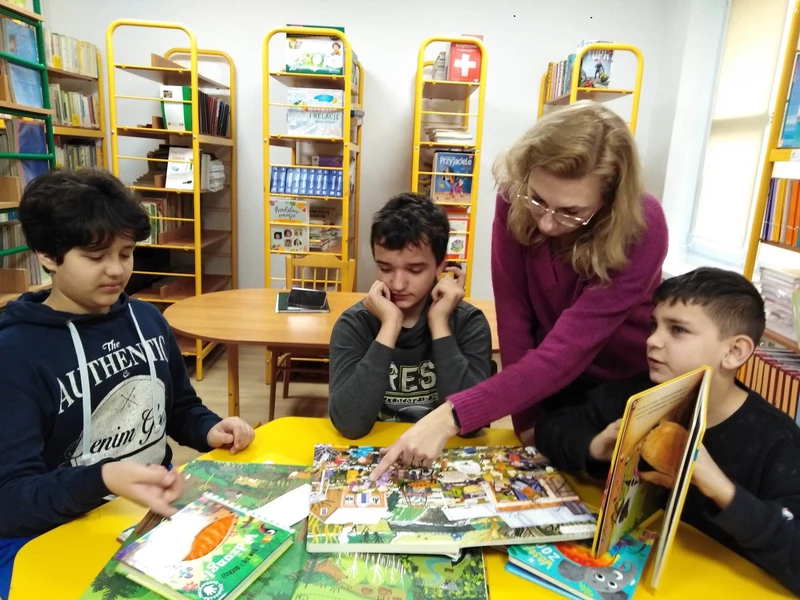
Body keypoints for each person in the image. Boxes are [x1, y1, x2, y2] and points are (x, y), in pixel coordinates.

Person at [372, 100, 668, 477]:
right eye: (538, 200)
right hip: (544, 376)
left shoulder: (643, 226)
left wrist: (451, 415)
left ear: (609, 202)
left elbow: (569, 349)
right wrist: (525, 418)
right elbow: (514, 317)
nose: (546, 223)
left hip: (621, 382)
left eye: (571, 212)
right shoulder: (513, 197)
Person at [0, 170, 255, 596]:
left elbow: (178, 408)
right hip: (48, 532)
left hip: (147, 505)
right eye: (95, 256)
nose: (116, 271)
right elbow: (11, 502)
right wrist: (103, 479)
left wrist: (209, 427)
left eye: (126, 252)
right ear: (47, 254)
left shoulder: (148, 320)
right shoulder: (15, 353)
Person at [534, 268, 800, 595]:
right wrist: (594, 446)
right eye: (654, 325)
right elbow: (552, 427)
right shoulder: (638, 394)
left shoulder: (778, 442)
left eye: (677, 330)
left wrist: (721, 488)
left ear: (734, 352)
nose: (652, 340)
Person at [328, 192, 492, 439]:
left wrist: (439, 323)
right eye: (385, 268)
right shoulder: (355, 324)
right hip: (377, 453)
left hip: (445, 452)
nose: (398, 283)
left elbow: (472, 425)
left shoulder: (469, 323)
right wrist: (390, 325)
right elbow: (350, 424)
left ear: (440, 265)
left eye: (415, 270)